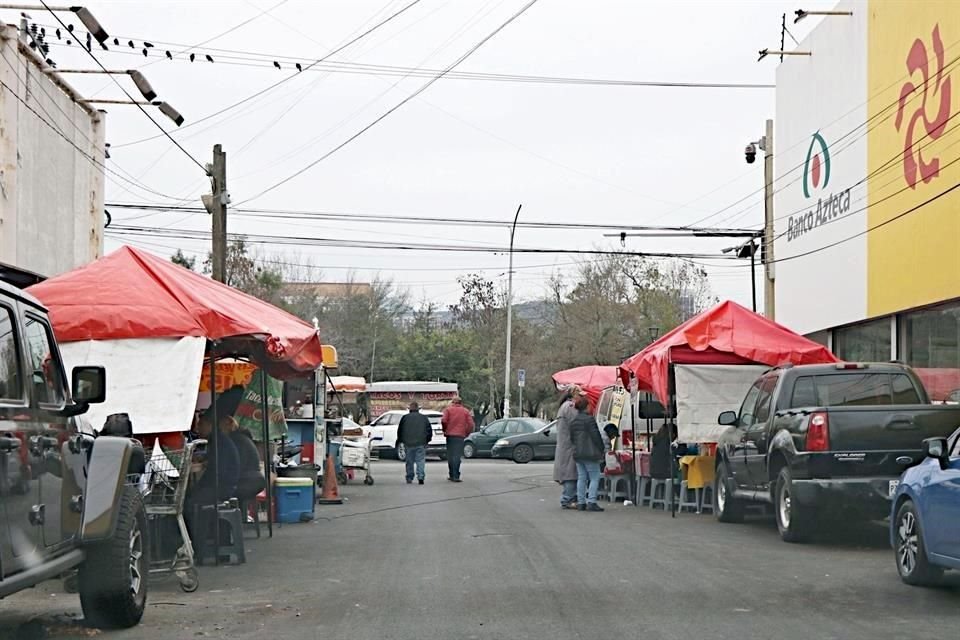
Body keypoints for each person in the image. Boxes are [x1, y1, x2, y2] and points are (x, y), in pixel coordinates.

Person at [569, 394, 606, 512]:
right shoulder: (589, 419)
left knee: (582, 477)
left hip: (578, 453)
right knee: (594, 477)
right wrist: (602, 449)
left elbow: (572, 438)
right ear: (587, 407)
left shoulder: (574, 421)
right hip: (590, 452)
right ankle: (592, 501)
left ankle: (581, 502)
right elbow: (596, 436)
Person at [553, 386, 582, 510]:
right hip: (569, 446)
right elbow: (576, 424)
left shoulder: (564, 407)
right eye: (580, 394)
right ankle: (567, 499)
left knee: (569, 472)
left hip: (565, 445)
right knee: (570, 473)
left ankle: (569, 498)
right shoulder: (570, 407)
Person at [225, 418, 266, 502]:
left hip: (247, 481)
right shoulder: (241, 437)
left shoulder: (236, 439)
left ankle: (238, 513)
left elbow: (236, 465)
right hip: (255, 480)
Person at [397, 402, 433, 485]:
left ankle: (409, 477)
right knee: (420, 461)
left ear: (410, 409)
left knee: (409, 461)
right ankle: (420, 477)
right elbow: (429, 431)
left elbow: (400, 430)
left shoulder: (405, 418)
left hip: (408, 443)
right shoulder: (424, 418)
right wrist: (427, 440)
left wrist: (401, 440)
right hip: (421, 443)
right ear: (418, 409)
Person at [441, 397, 474, 483]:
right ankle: (456, 475)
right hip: (460, 436)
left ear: (453, 402)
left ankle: (451, 474)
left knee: (450, 455)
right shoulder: (465, 411)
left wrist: (445, 429)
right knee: (457, 455)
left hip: (450, 435)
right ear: (461, 403)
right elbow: (471, 424)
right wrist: (466, 433)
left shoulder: (448, 410)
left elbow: (444, 420)